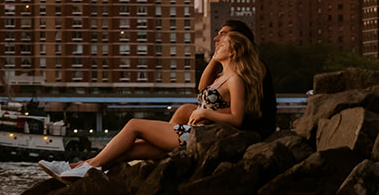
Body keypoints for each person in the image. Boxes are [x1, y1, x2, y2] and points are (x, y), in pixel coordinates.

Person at [39, 29, 267, 183]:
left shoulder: (236, 79)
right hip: (193, 133)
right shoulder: (221, 76)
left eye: (223, 44)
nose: (217, 45)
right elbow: (202, 87)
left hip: (199, 138)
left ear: (234, 52)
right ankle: (74, 168)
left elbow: (237, 118)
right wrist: (215, 59)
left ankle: (88, 168)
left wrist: (205, 112)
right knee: (129, 149)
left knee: (134, 125)